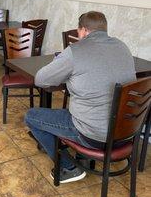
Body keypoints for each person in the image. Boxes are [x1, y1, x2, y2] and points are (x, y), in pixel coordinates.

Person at [25, 11, 136, 183]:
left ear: (83, 30)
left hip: (92, 135)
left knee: (32, 116)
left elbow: (41, 80)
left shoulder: (75, 51)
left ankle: (69, 167)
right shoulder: (123, 46)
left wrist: (60, 62)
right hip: (127, 132)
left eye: (78, 31)